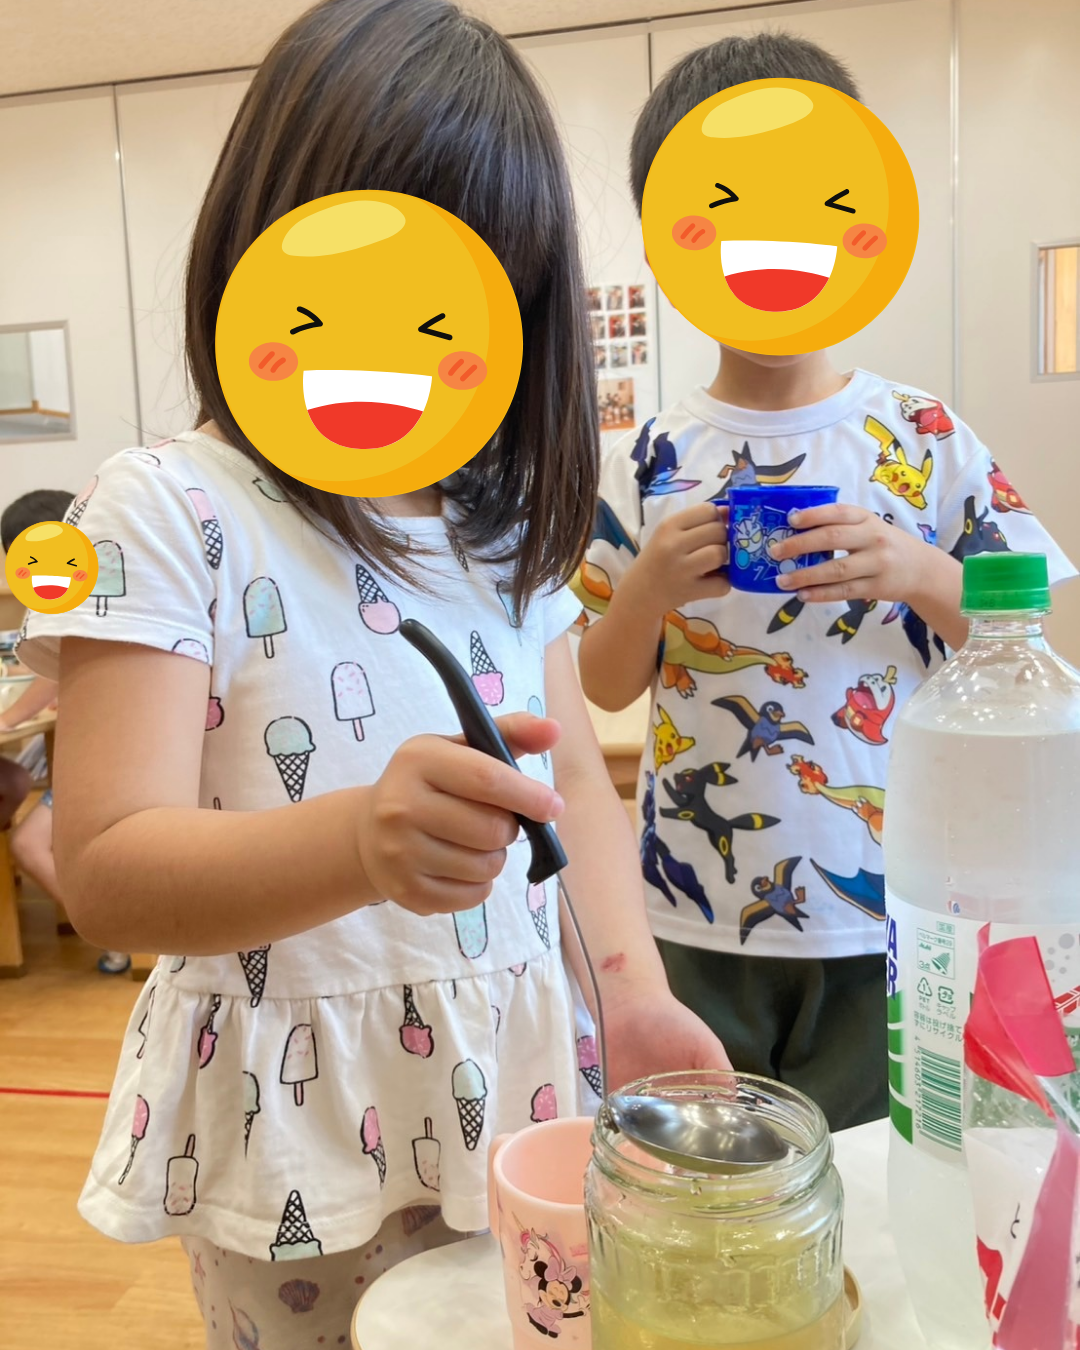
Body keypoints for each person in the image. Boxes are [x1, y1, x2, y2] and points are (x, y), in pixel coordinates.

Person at [17, 2, 729, 1344]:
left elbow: (573, 778)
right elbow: (105, 862)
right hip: (291, 1111)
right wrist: (358, 840)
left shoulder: (505, 521)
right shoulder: (166, 507)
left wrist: (632, 990)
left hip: (521, 1067)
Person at [575, 30, 1076, 1133]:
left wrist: (919, 569)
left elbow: (1028, 635)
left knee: (874, 1183)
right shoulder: (647, 455)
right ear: (673, 240)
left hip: (889, 910)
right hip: (689, 919)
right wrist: (649, 589)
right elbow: (600, 686)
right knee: (712, 1185)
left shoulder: (924, 433)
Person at [2, 490, 132, 973]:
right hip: (120, 755)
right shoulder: (107, 586)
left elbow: (59, 667)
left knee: (28, 843)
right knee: (17, 785)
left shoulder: (78, 600)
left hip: (117, 762)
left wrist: (9, 719)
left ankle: (119, 937)